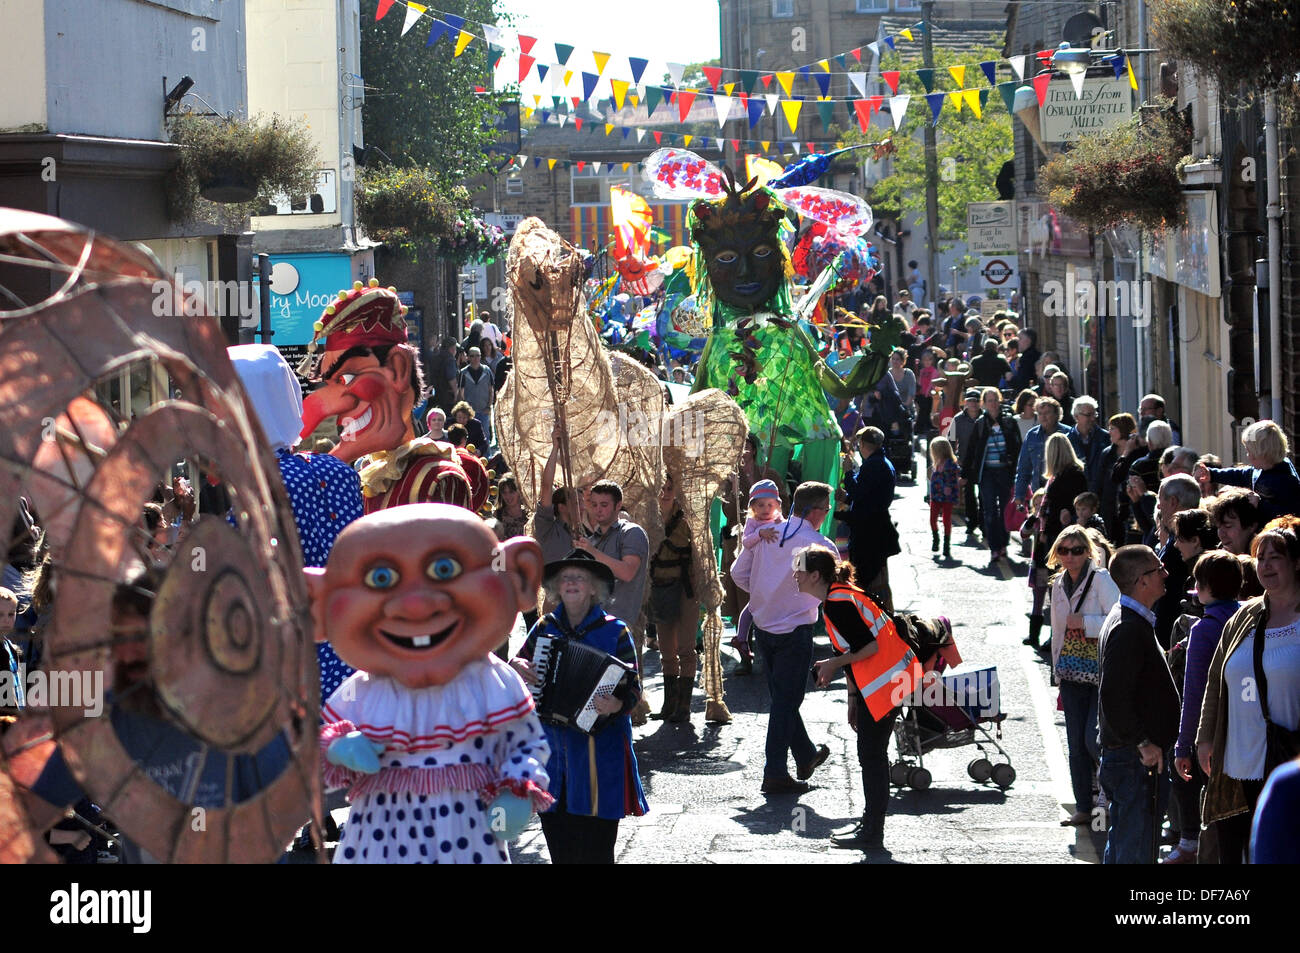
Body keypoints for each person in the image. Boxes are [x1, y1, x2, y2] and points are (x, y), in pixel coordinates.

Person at [512, 550, 648, 863]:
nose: (571, 582)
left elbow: (633, 689)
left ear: (593, 588)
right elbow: (515, 673)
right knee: (561, 850)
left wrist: (615, 704)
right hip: (553, 757)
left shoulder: (616, 631)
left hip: (599, 759)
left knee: (598, 851)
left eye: (580, 578)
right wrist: (515, 665)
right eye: (566, 578)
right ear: (558, 588)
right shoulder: (544, 628)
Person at [801, 546, 919, 852]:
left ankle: (872, 831)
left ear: (815, 575)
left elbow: (867, 648)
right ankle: (870, 826)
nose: (794, 577)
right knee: (871, 755)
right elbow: (852, 649)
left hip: (886, 681)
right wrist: (853, 696)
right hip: (885, 681)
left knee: (872, 757)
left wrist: (831, 665)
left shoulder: (837, 603)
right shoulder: (838, 595)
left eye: (798, 572)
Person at [1196, 526, 1300, 863]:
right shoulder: (1244, 616)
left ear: (1296, 563)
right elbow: (1216, 681)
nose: (1267, 565)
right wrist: (1205, 738)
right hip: (1236, 763)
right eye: (1260, 558)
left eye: (1276, 558)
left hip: (1286, 760)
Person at [729, 482, 838, 795]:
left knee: (783, 700)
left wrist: (766, 592)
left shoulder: (768, 534)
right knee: (785, 702)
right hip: (793, 631)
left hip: (765, 626)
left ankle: (805, 755)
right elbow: (832, 591)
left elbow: (738, 574)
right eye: (827, 509)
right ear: (816, 511)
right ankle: (775, 771)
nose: (827, 514)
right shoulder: (818, 545)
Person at [1097, 545, 1180, 864]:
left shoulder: (1129, 619)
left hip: (1129, 758)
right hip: (1134, 760)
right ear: (1141, 580)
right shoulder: (1127, 626)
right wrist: (1143, 742)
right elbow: (1113, 696)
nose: (1165, 573)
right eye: (1158, 569)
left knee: (1125, 841)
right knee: (1135, 847)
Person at [1169, 550, 1242, 864]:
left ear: (1204, 587)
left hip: (1214, 737)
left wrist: (1183, 746)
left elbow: (1194, 693)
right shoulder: (1250, 617)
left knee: (1214, 819)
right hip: (1251, 733)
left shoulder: (1204, 630)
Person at [1048, 526, 1121, 826]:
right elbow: (1057, 631)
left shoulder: (1101, 579)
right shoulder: (1057, 585)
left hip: (1102, 670)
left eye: (1077, 550)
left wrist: (1087, 623)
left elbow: (1118, 618)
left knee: (1094, 740)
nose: (1070, 556)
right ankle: (1083, 806)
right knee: (1075, 743)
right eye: (1064, 550)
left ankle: (1112, 797)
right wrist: (1056, 672)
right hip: (1071, 671)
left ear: (1088, 551)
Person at [646, 473, 699, 725]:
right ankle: (669, 703)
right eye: (662, 488)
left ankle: (684, 706)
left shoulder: (688, 519)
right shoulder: (648, 519)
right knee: (666, 649)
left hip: (685, 588)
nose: (665, 493)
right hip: (660, 586)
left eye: (670, 488)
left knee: (686, 647)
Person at [575, 481, 650, 631]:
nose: (598, 510)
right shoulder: (592, 540)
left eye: (604, 505)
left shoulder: (631, 532)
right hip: (590, 620)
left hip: (618, 623)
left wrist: (593, 553)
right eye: (594, 505)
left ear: (618, 505)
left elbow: (627, 572)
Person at [960, 387, 1022, 564]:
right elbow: (972, 450)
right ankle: (994, 548)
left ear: (999, 401)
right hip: (986, 473)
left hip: (1005, 472)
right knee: (988, 511)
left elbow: (1018, 447)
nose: (993, 404)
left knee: (1005, 509)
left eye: (995, 400)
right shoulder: (980, 424)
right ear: (984, 404)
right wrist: (964, 473)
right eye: (989, 401)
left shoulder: (1009, 422)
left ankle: (1003, 544)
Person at [1195, 421, 1300, 525]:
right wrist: (1213, 474)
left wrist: (1260, 505)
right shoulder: (1260, 469)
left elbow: (1290, 512)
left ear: (1262, 454)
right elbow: (1239, 475)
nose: (1248, 455)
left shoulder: (1286, 481)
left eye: (1250, 452)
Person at [843, 428, 900, 608]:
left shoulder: (874, 464)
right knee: (876, 578)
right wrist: (845, 497)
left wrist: (848, 473)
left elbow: (859, 493)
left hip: (870, 532)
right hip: (875, 527)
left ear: (862, 445)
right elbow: (866, 494)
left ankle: (875, 616)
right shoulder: (881, 463)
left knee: (870, 579)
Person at [1015, 395, 1075, 505]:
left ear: (1057, 414)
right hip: (1039, 492)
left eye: (1047, 413)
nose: (1043, 417)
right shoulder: (1032, 435)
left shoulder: (1069, 433)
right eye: (1040, 413)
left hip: (1063, 490)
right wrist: (1019, 494)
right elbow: (1023, 468)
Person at [950, 388, 984, 542]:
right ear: (965, 402)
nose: (973, 404)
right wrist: (953, 459)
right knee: (969, 494)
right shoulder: (957, 419)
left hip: (983, 462)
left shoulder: (985, 418)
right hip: (965, 462)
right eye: (970, 400)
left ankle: (983, 523)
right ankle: (971, 522)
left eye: (976, 401)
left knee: (983, 494)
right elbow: (951, 440)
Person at [928, 436, 961, 560]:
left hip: (947, 497)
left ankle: (946, 545)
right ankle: (936, 539)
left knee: (946, 519)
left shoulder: (951, 464)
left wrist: (951, 490)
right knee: (932, 519)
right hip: (935, 496)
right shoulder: (936, 464)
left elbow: (954, 481)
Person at [456, 346, 496, 446]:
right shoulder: (463, 372)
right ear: (468, 357)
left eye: (477, 355)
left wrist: (489, 406)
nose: (475, 358)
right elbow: (461, 392)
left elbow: (491, 390)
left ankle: (486, 457)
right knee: (470, 436)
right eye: (472, 356)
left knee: (485, 435)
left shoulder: (487, 371)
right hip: (469, 412)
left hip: (484, 409)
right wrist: (464, 409)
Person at [1206, 488, 1263, 556]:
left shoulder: (1263, 562)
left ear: (1251, 526)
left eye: (1228, 526)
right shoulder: (1216, 559)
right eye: (1218, 527)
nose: (1221, 534)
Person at [1067, 397, 1106, 493]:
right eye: (1088, 415)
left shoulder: (1105, 437)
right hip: (1076, 494)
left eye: (1094, 414)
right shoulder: (1067, 440)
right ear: (1076, 416)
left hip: (1101, 492)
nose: (1093, 418)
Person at [1008, 328, 1042, 392]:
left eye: (1020, 339)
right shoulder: (1034, 354)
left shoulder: (1027, 359)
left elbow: (1022, 383)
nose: (1018, 342)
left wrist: (1010, 378)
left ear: (1028, 340)